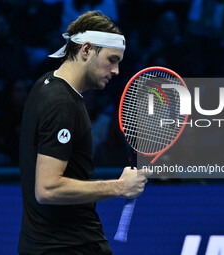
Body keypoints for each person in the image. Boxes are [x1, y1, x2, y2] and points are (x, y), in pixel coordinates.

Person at [18, 11, 151, 255]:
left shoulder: (45, 84)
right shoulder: (62, 103)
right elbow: (47, 188)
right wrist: (119, 187)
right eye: (112, 59)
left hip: (45, 245)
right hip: (69, 247)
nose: (116, 70)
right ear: (87, 50)